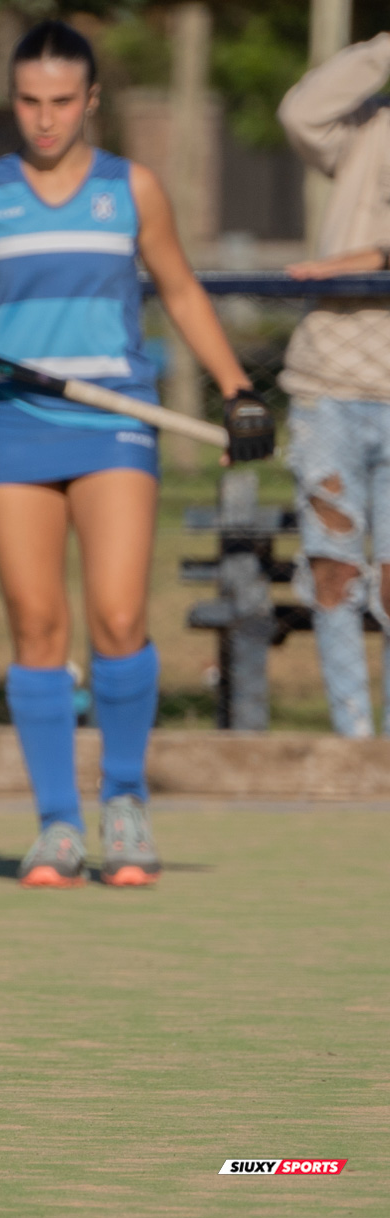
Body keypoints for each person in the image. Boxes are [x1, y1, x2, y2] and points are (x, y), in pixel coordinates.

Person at [0, 21, 271, 888]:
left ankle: (125, 804)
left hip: (113, 416)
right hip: (13, 421)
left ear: (91, 100)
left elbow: (179, 287)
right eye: (30, 101)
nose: (46, 119)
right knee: (37, 627)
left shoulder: (131, 189)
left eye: (63, 101)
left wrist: (238, 388)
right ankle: (58, 824)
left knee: (119, 618)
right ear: (13, 100)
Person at [277, 34, 390, 737]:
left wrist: (363, 259)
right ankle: (354, 739)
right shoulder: (368, 129)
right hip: (328, 381)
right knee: (333, 573)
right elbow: (301, 113)